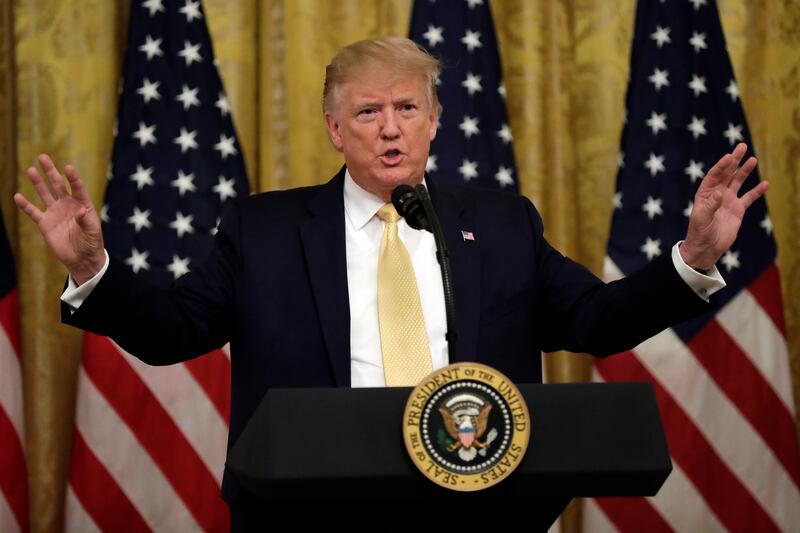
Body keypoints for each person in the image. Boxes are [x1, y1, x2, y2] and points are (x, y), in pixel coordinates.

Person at [14, 37, 765, 515]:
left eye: (408, 107)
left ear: (435, 121)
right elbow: (173, 333)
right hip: (313, 510)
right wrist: (91, 268)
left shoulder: (503, 224)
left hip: (479, 505)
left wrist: (694, 257)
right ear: (335, 130)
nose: (391, 127)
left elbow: (594, 320)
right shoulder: (263, 231)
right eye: (368, 111)